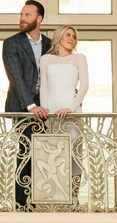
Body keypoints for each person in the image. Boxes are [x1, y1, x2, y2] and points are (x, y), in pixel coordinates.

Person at [2, 0, 51, 210]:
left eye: (27, 15)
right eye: (21, 15)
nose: (22, 18)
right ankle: (22, 205)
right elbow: (16, 78)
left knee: (48, 154)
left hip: (48, 105)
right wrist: (31, 106)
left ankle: (45, 202)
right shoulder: (11, 43)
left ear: (39, 19)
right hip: (22, 106)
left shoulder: (50, 44)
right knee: (27, 152)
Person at [38, 25, 89, 191]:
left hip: (72, 114)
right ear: (59, 36)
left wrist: (71, 108)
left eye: (74, 36)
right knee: (52, 158)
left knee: (74, 157)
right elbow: (44, 87)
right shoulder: (45, 59)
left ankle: (73, 199)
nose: (71, 39)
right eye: (68, 35)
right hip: (51, 115)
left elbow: (84, 86)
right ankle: (55, 199)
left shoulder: (79, 58)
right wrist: (45, 111)